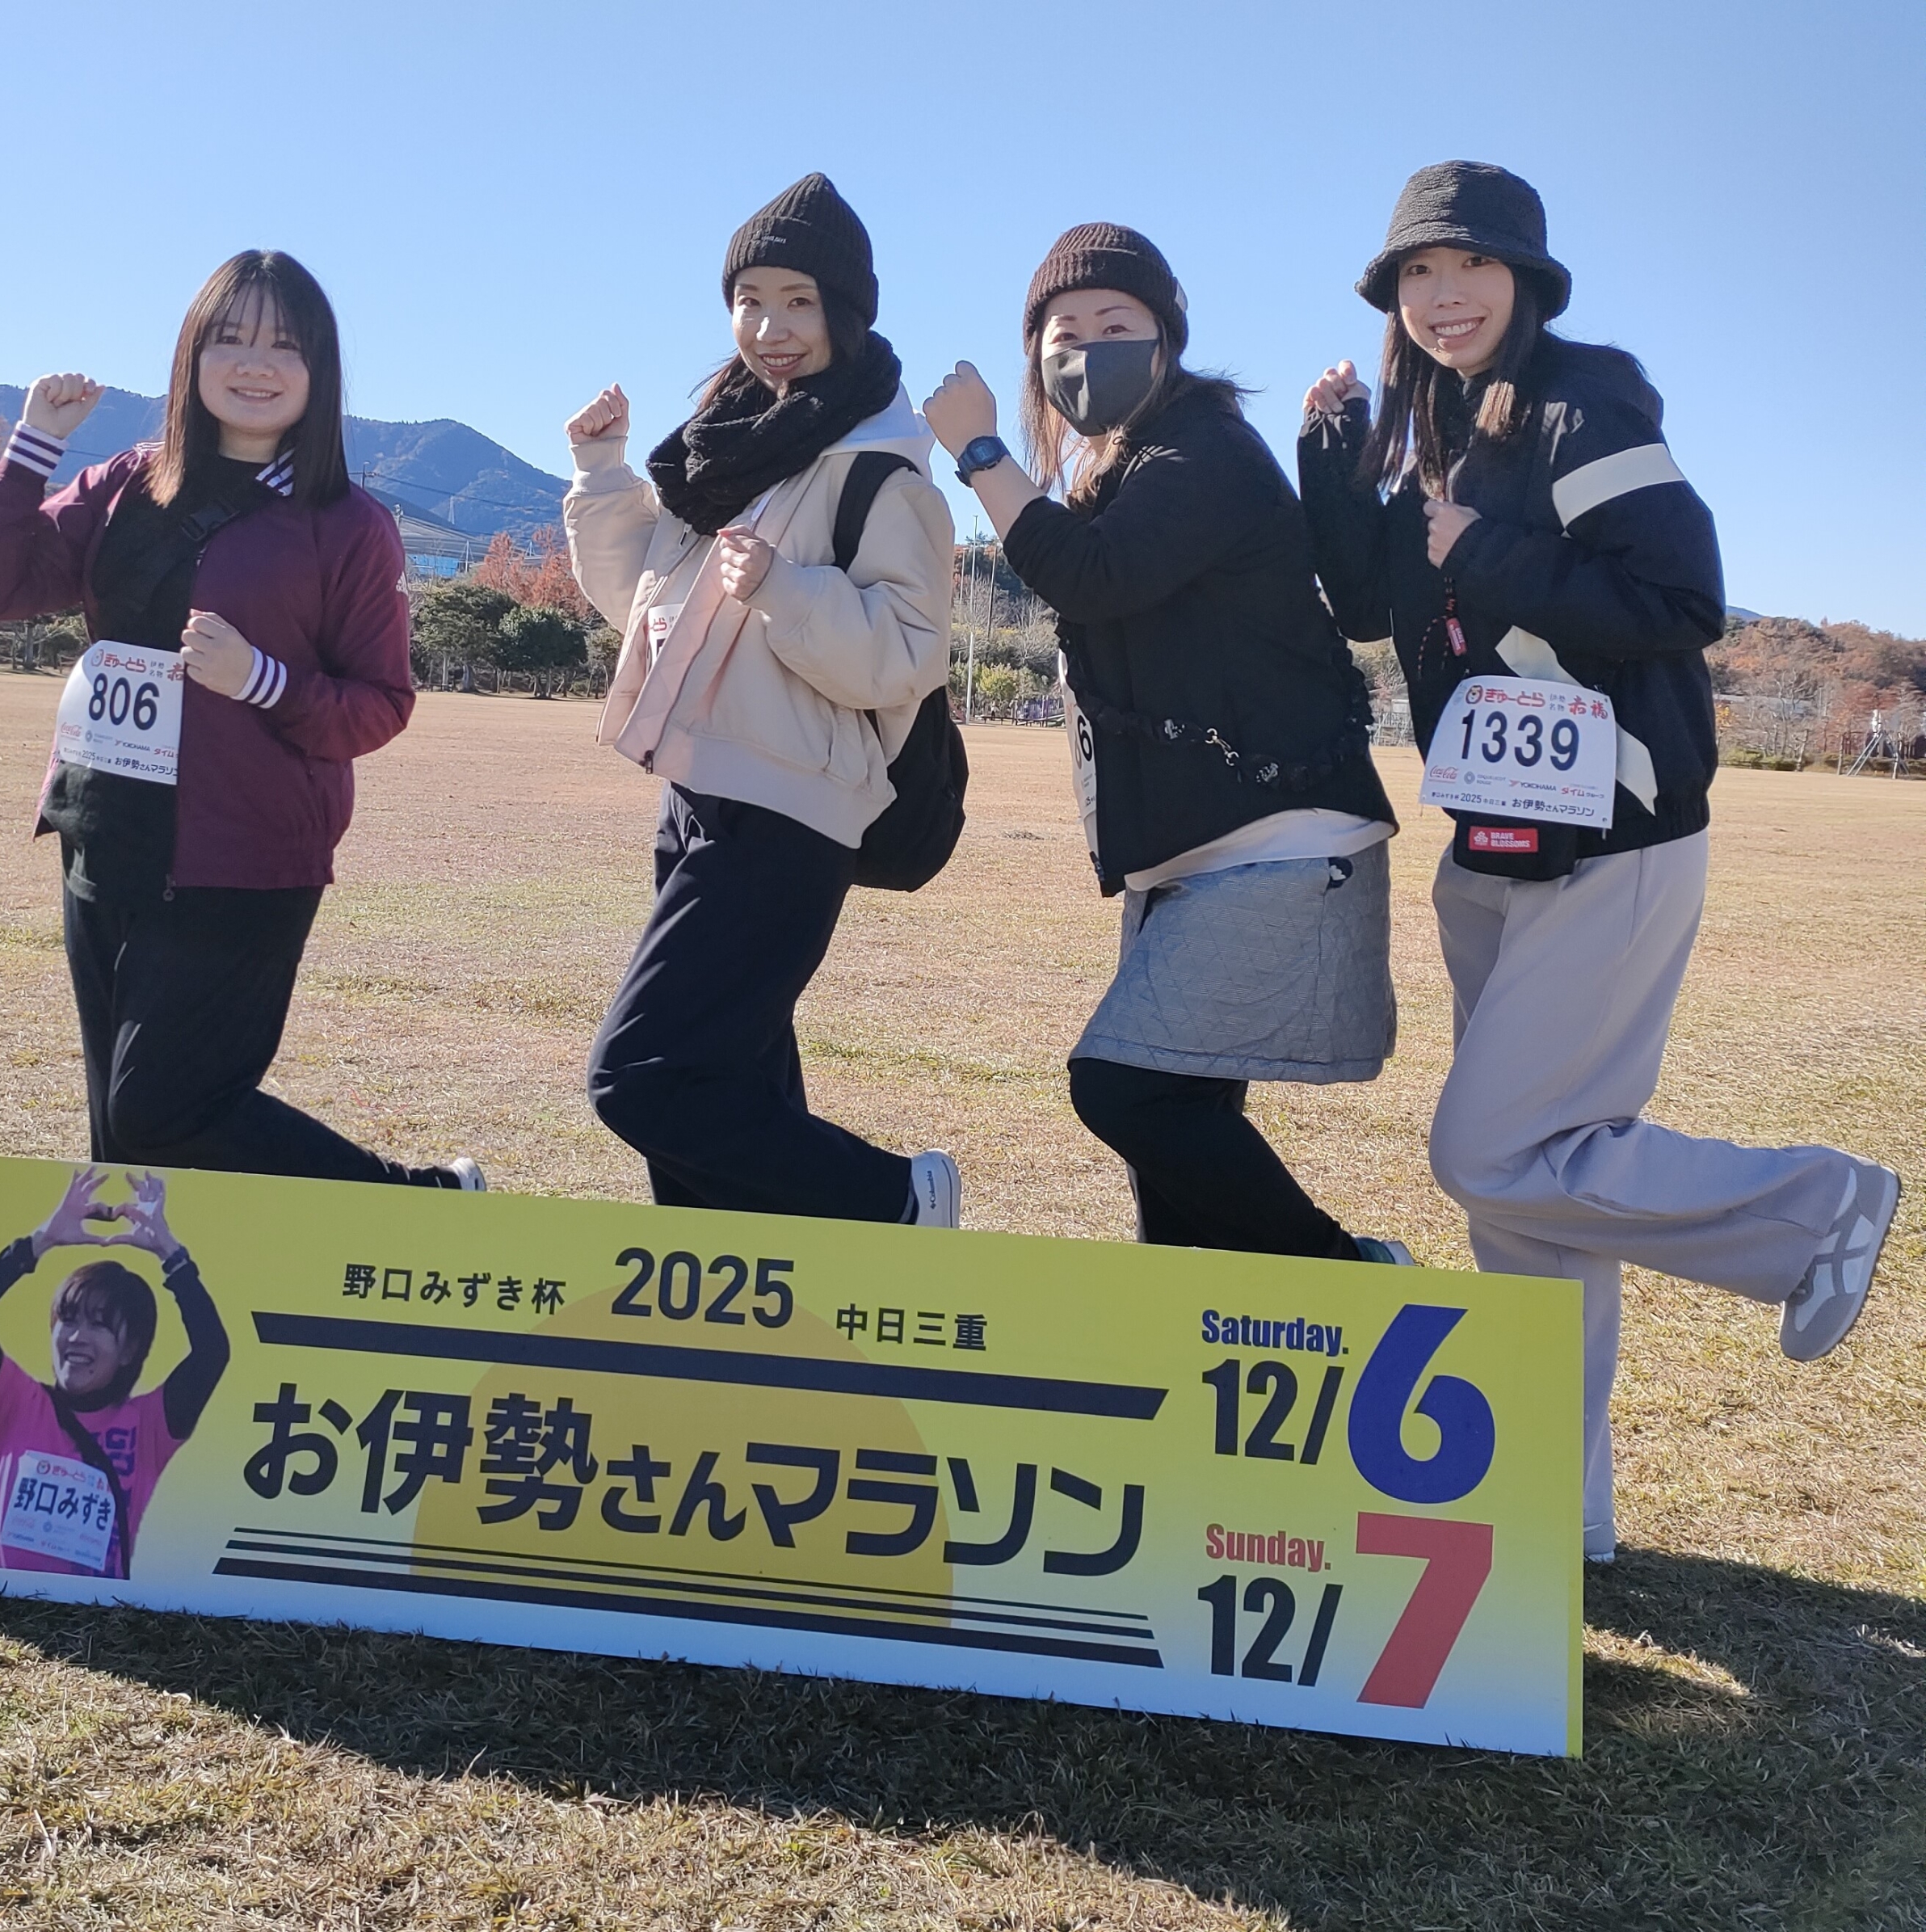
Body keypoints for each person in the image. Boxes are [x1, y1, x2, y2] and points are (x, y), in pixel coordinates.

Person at [1297, 160, 1902, 1559]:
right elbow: (1363, 611)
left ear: (1525, 282)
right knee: (1541, 1192)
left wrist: (1491, 551)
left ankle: (1817, 1212)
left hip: (1618, 837)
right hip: (1493, 840)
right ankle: (1558, 1509)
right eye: (1417, 276)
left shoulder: (1586, 399)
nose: (1444, 297)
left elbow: (1678, 598)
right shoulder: (1419, 430)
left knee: (1492, 1151)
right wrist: (1337, 467)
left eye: (1472, 269)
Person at [922, 224, 1411, 1264]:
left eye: (1116, 325)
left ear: (1167, 338)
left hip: (1275, 835)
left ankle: (1347, 1276)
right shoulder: (1131, 465)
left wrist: (978, 452)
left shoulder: (1207, 451)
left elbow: (1090, 576)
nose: (1085, 349)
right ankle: (1204, 1357)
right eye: (1063, 332)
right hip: (1200, 846)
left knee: (1125, 1089)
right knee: (1175, 1146)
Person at [0, 250, 481, 1190]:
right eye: (229, 337)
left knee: (167, 1109)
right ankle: (142, 1318)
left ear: (317, 371)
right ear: (191, 356)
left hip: (242, 858)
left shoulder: (347, 524)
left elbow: (380, 704)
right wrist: (32, 445)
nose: (254, 362)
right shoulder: (128, 482)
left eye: (284, 344)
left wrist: (262, 680)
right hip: (105, 832)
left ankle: (422, 1204)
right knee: (120, 1133)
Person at [564, 175, 961, 1225]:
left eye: (798, 300)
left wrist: (785, 590)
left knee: (645, 1076)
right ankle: (735, 1349)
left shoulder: (882, 471)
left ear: (844, 309)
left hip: (789, 809)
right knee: (724, 1094)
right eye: (749, 300)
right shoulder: (732, 450)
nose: (770, 327)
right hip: (696, 790)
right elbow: (643, 606)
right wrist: (603, 474)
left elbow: (906, 654)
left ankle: (893, 1204)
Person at [0, 1168, 228, 1580]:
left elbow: (211, 1353)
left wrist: (172, 1255)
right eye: (68, 1318)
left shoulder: (149, 1426)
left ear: (131, 1348)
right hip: (1, 1609)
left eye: (99, 1324)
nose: (77, 1337)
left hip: (93, 1626)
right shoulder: (11, 1399)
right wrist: (40, 1242)